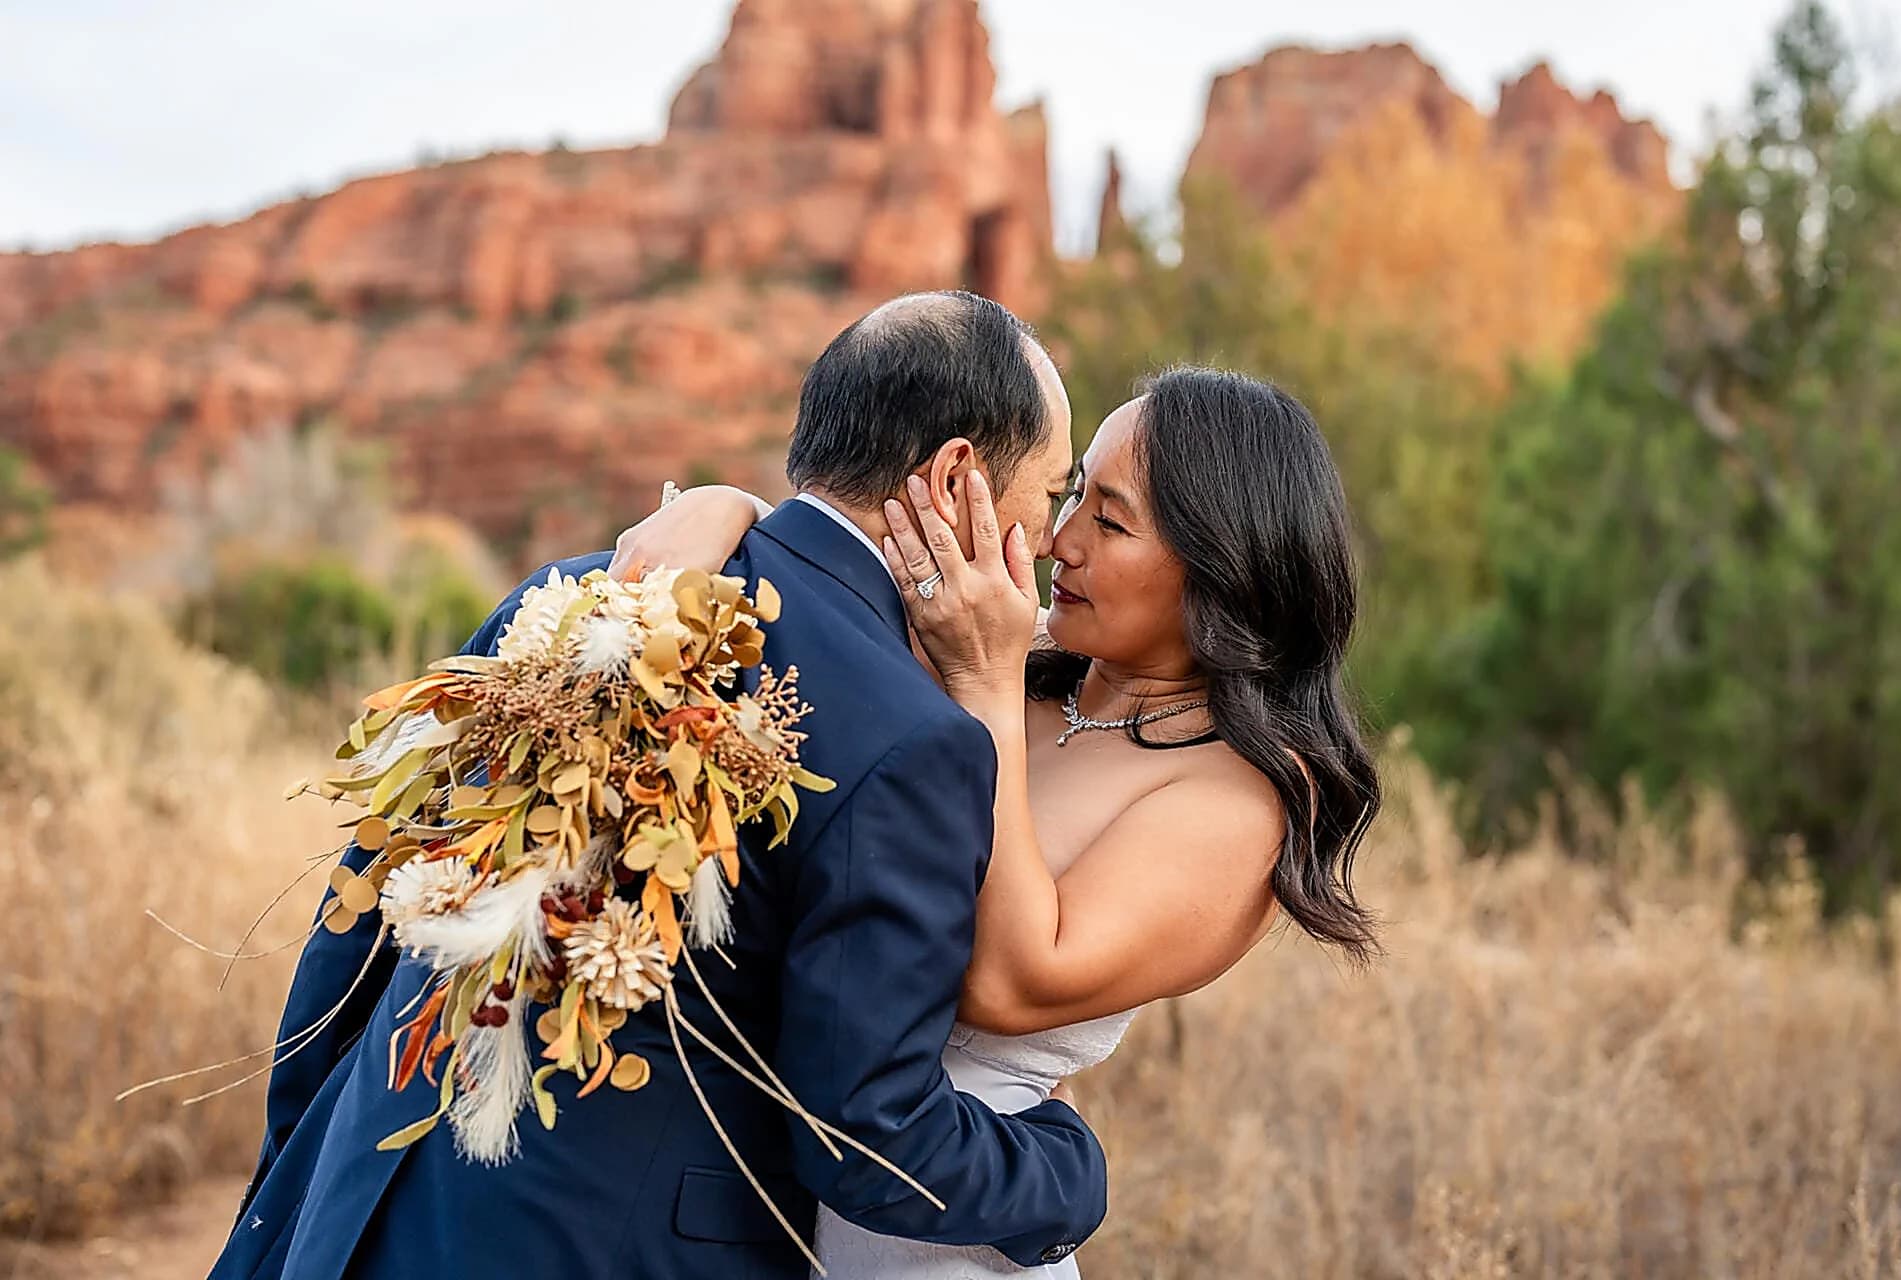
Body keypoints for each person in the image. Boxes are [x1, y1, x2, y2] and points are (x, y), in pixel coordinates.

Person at [210, 290, 1106, 1280]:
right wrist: (1066, 1171)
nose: (1052, 532)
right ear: (955, 478)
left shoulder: (572, 597)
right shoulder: (913, 739)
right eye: (1053, 490)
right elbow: (869, 1133)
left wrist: (292, 1182)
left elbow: (360, 922)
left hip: (359, 1205)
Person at [614, 363, 1381, 1278]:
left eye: (1111, 518)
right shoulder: (1015, 655)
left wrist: (982, 684)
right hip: (758, 1202)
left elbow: (1009, 980)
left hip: (941, 1238)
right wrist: (724, 506)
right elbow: (829, 579)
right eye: (1074, 494)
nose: (1059, 540)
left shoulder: (1240, 798)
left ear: (1222, 564)